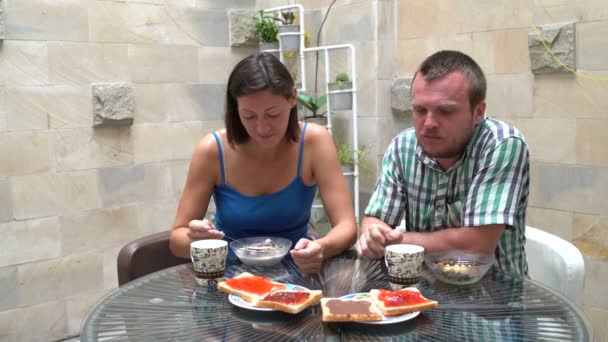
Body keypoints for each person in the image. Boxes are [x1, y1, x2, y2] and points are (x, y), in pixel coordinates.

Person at [170, 52, 357, 274]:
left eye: (273, 114)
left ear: (292, 98)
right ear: (235, 109)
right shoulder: (212, 149)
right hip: (228, 276)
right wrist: (194, 238)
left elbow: (347, 227)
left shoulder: (314, 142)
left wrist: (320, 247)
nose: (262, 128)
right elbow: (177, 240)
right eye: (249, 116)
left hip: (296, 272)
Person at [357, 50, 529, 276]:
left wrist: (399, 241)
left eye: (445, 111)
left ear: (478, 112)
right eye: (419, 110)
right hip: (418, 296)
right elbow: (375, 220)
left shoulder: (502, 145)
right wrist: (373, 234)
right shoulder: (403, 147)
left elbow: (476, 246)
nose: (428, 123)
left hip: (493, 302)